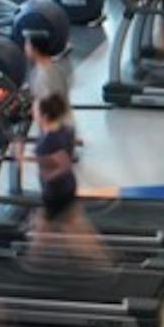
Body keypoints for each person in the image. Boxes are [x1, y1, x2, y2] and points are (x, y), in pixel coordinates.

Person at [31, 93, 108, 266]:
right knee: (74, 225)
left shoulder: (48, 141)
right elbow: (66, 151)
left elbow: (64, 164)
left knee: (45, 227)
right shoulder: (64, 129)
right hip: (68, 186)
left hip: (55, 192)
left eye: (35, 110)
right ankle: (103, 259)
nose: (32, 113)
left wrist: (45, 172)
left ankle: (31, 264)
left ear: (45, 115)